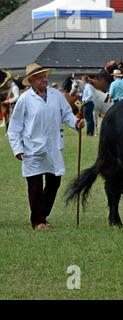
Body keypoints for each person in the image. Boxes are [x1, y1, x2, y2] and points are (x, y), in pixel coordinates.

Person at [7, 63, 85, 230]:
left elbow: (66, 115)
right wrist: (17, 149)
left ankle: (43, 215)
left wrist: (76, 123)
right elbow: (14, 128)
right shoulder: (24, 99)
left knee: (54, 182)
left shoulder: (56, 95)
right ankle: (38, 221)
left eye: (45, 76)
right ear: (32, 80)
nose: (44, 79)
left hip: (53, 145)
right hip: (31, 147)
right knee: (34, 186)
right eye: (40, 77)